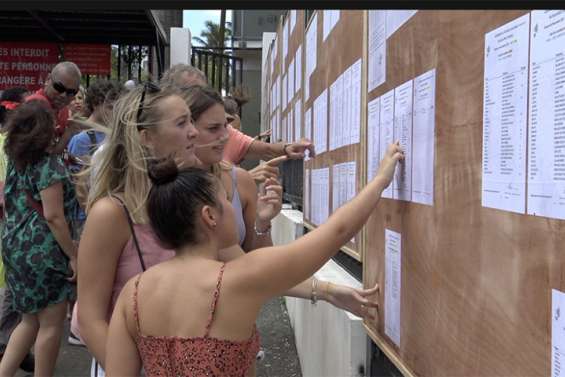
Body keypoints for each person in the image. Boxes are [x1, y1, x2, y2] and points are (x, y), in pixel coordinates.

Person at [78, 83, 381, 376]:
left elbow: (248, 269)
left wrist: (325, 291)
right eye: (183, 123)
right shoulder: (110, 213)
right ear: (146, 137)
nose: (194, 132)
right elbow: (89, 318)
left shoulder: (187, 199)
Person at [105, 141, 403, 376]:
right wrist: (380, 180)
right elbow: (336, 232)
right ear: (209, 216)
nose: (233, 206)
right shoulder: (236, 278)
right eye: (225, 199)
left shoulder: (132, 294)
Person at [0, 100, 79, 376]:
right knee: (50, 325)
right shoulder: (49, 167)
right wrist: (73, 255)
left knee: (29, 321)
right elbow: (54, 217)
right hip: (43, 252)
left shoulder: (16, 161)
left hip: (15, 246)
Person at [160, 64, 316, 165]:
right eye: (212, 128)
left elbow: (266, 149)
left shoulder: (227, 175)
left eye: (203, 91)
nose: (223, 136)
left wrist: (288, 147)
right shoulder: (154, 147)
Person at [0, 86, 35, 372]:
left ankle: (13, 345)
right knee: (10, 292)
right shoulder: (8, 145)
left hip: (12, 230)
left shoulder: (12, 144)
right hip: (10, 230)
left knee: (12, 292)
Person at [25, 61, 83, 154]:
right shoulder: (36, 106)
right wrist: (69, 133)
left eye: (71, 92)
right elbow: (42, 158)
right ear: (47, 80)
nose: (63, 95)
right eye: (59, 87)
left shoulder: (62, 109)